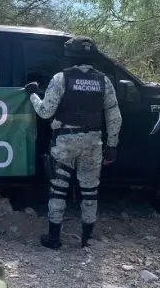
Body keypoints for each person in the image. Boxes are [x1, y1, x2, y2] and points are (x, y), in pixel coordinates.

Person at [24, 36, 122, 249]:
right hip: (93, 142)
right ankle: (87, 239)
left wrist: (32, 93)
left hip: (64, 143)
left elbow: (45, 111)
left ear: (70, 56)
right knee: (90, 191)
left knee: (58, 189)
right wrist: (112, 145)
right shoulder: (103, 81)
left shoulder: (61, 78)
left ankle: (53, 238)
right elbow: (114, 116)